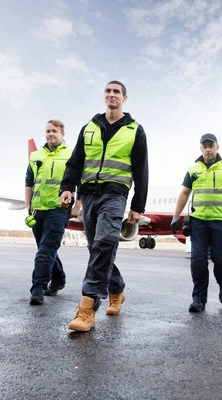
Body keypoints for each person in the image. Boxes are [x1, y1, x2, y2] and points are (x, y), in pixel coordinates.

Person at [59, 80, 148, 332]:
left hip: (115, 194)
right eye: (108, 91)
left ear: (124, 98)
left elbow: (142, 171)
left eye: (116, 92)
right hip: (88, 194)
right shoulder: (89, 127)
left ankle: (87, 308)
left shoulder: (135, 130)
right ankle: (117, 289)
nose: (111, 95)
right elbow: (76, 162)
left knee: (106, 242)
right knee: (96, 247)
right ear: (104, 96)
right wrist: (67, 187)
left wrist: (137, 205)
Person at [170, 133, 222, 313]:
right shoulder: (193, 169)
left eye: (211, 145)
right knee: (198, 261)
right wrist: (175, 216)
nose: (208, 149)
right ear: (200, 148)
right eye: (205, 146)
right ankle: (199, 299)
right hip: (199, 222)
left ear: (217, 147)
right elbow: (185, 193)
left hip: (220, 222)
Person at [25, 119, 75, 305]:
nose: (50, 134)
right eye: (47, 131)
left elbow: (80, 181)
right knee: (46, 249)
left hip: (58, 209)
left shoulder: (72, 154)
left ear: (62, 134)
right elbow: (29, 180)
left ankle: (38, 288)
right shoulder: (36, 155)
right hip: (38, 209)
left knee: (45, 251)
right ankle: (59, 278)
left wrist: (76, 206)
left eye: (54, 131)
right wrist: (28, 205)